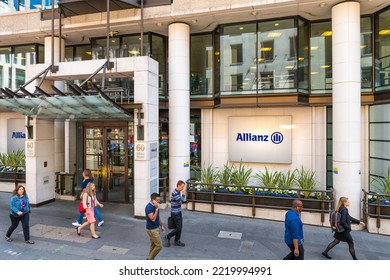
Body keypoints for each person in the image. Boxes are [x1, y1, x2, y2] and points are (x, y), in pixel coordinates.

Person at [164, 180, 186, 247]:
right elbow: (180, 202)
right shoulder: (175, 193)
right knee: (179, 228)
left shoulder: (178, 192)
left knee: (179, 227)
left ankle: (177, 241)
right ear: (178, 186)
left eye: (183, 187)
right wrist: (184, 194)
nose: (183, 188)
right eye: (182, 187)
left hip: (178, 212)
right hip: (175, 213)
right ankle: (168, 236)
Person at [145, 192, 165, 260]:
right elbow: (153, 219)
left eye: (159, 199)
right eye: (157, 200)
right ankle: (149, 259)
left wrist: (161, 226)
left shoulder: (155, 205)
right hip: (152, 230)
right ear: (153, 200)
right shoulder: (149, 207)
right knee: (159, 246)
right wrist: (156, 209)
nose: (159, 201)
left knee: (153, 245)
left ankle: (150, 258)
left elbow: (157, 217)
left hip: (156, 228)